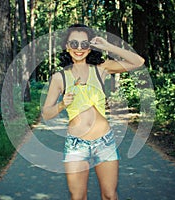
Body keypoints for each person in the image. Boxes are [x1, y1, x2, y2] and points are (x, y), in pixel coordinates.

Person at [42, 24, 145, 200]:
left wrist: (108, 46)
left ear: (90, 47)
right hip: (76, 145)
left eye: (84, 44)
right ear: (67, 46)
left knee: (110, 195)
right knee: (78, 197)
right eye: (74, 43)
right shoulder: (59, 78)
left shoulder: (101, 68)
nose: (79, 48)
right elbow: (46, 114)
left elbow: (138, 62)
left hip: (105, 142)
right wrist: (61, 105)